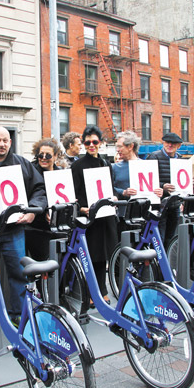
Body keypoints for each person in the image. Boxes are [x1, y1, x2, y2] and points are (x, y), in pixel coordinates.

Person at [0, 127, 47, 323]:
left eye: (5, 140)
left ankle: (20, 315)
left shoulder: (23, 164)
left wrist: (33, 211)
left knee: (19, 273)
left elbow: (39, 189)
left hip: (14, 228)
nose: (1, 144)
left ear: (10, 142)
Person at [71, 126, 118, 304]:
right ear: (83, 144)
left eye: (95, 142)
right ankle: (91, 292)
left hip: (105, 216)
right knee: (90, 255)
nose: (91, 145)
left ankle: (101, 290)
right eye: (87, 142)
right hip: (89, 217)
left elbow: (111, 188)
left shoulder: (106, 164)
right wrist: (82, 209)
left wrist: (114, 196)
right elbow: (73, 193)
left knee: (103, 255)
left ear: (101, 143)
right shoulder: (77, 165)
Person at [25, 138, 62, 260]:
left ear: (56, 156)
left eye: (48, 155)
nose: (44, 158)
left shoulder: (61, 173)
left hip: (57, 227)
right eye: (41, 154)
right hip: (37, 228)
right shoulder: (31, 171)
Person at [145, 132, 184, 246]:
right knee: (159, 236)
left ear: (179, 146)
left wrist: (182, 200)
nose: (170, 145)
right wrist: (163, 186)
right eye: (167, 142)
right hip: (159, 204)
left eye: (173, 143)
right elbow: (148, 180)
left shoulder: (181, 159)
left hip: (174, 204)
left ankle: (167, 260)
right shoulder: (154, 156)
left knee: (171, 237)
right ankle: (159, 261)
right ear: (163, 143)